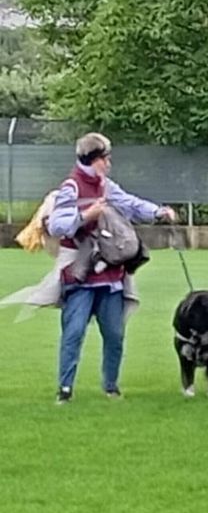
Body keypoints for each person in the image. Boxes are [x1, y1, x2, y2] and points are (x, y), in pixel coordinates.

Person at [47, 133, 177, 404]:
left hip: (110, 275)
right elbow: (56, 225)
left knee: (115, 334)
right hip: (80, 274)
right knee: (73, 333)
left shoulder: (106, 185)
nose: (109, 163)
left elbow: (129, 203)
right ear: (93, 160)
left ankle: (111, 386)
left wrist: (157, 212)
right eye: (105, 158)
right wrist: (85, 216)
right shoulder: (70, 187)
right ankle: (65, 389)